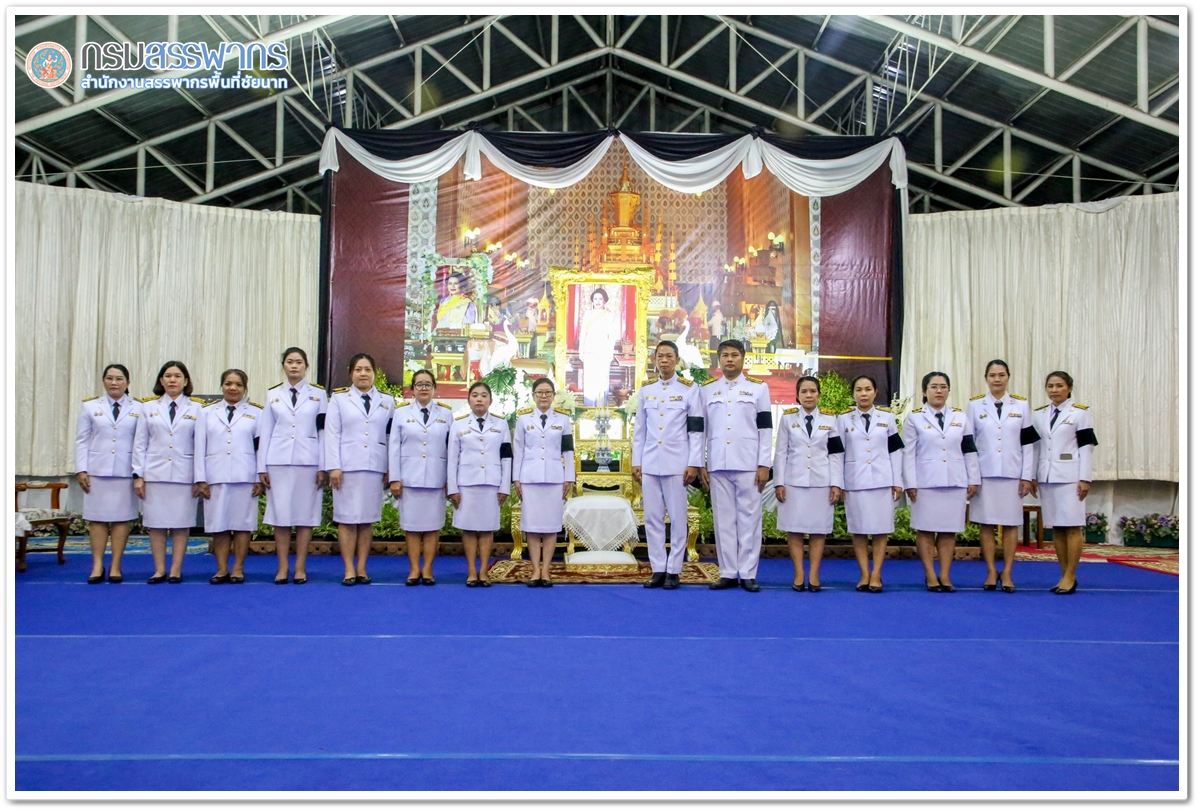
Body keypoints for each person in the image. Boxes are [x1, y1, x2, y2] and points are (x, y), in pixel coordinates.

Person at [699, 340, 773, 592]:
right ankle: (728, 572)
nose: (729, 359)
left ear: (743, 358)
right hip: (718, 463)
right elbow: (701, 430)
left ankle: (748, 573)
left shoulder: (758, 388)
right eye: (725, 355)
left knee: (750, 520)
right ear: (719, 360)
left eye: (734, 355)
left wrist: (764, 463)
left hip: (748, 463)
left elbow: (765, 428)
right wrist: (700, 463)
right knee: (724, 521)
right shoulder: (707, 389)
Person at [632, 341, 704, 589]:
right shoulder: (647, 389)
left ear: (677, 360)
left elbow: (696, 430)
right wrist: (637, 461)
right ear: (654, 359)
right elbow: (640, 429)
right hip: (651, 462)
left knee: (677, 517)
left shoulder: (689, 389)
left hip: (677, 463)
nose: (664, 360)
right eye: (660, 356)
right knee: (652, 518)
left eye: (669, 356)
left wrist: (694, 463)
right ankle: (658, 568)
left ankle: (674, 569)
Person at [902, 372, 981, 593]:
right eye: (934, 386)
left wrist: (973, 478)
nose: (939, 391)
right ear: (924, 391)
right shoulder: (915, 418)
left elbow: (969, 450)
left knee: (948, 531)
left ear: (948, 390)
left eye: (943, 386)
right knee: (925, 530)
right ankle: (930, 575)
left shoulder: (960, 417)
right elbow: (908, 453)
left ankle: (945, 575)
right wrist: (910, 483)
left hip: (955, 481)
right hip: (925, 482)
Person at [258, 347, 327, 585]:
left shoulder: (319, 394)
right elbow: (266, 431)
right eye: (290, 362)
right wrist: (262, 467)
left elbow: (323, 432)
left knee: (305, 516)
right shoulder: (273, 394)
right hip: (278, 461)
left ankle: (300, 567)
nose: (294, 366)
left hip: (309, 462)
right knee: (281, 515)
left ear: (306, 366)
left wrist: (323, 465)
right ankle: (282, 567)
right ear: (284, 366)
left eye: (299, 362)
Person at [132, 361, 205, 584]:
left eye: (177, 376)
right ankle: (159, 569)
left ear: (185, 381)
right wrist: (138, 475)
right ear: (161, 380)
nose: (172, 380)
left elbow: (200, 445)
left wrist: (200, 477)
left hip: (185, 474)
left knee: (181, 524)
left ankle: (175, 569)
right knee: (156, 524)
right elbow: (140, 443)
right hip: (155, 474)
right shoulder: (148, 407)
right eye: (168, 376)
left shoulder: (198, 408)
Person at [968, 360, 1037, 592]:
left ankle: (1007, 571)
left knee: (1010, 523)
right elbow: (969, 444)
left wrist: (1027, 475)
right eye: (992, 375)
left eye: (1001, 375)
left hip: (1012, 473)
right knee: (986, 523)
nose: (997, 379)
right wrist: (972, 476)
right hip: (984, 473)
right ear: (986, 378)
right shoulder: (974, 405)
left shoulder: (1022, 405)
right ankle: (990, 570)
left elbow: (1028, 444)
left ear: (1008, 377)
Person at [326, 353, 394, 586]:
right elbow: (332, 433)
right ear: (350, 374)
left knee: (367, 520)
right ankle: (348, 569)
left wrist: (390, 468)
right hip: (347, 467)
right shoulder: (339, 399)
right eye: (358, 369)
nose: (363, 374)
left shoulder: (387, 401)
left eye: (367, 369)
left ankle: (362, 568)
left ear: (374, 373)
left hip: (375, 466)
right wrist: (334, 466)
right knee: (346, 519)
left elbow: (391, 437)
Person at [773, 376, 844, 592]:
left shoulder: (831, 419)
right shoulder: (788, 419)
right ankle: (798, 575)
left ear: (819, 394)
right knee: (794, 529)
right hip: (793, 481)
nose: (809, 395)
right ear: (797, 396)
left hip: (821, 481)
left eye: (813, 391)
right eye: (804, 391)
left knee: (818, 530)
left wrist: (836, 483)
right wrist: (778, 482)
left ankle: (813, 575)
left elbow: (836, 454)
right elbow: (781, 452)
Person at [194, 369, 264, 584]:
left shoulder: (257, 413)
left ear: (245, 388)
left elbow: (261, 449)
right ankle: (221, 569)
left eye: (238, 384)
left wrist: (259, 477)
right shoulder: (206, 413)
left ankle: (238, 569)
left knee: (242, 525)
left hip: (245, 476)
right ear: (222, 386)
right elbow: (199, 447)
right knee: (219, 525)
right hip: (216, 476)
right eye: (228, 383)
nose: (233, 388)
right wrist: (200, 478)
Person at [836, 375, 904, 593]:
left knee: (880, 529)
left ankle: (876, 574)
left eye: (867, 389)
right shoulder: (843, 419)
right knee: (858, 529)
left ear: (875, 392)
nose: (863, 394)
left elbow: (895, 451)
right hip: (855, 481)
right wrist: (838, 483)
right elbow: (837, 454)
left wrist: (897, 480)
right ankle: (864, 573)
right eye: (858, 390)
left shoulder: (887, 418)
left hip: (882, 481)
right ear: (853, 394)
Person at [1032, 371, 1097, 595]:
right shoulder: (1039, 414)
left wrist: (1085, 478)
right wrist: (1032, 475)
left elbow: (1086, 447)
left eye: (1059, 385)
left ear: (1069, 388)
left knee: (1072, 526)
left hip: (1071, 477)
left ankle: (1071, 574)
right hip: (1047, 476)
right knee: (1057, 527)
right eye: (1050, 386)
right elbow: (1036, 447)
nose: (1054, 390)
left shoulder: (1080, 413)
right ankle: (1064, 574)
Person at [74, 364, 140, 584]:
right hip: (97, 471)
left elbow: (141, 442)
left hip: (125, 471)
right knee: (97, 519)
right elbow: (82, 440)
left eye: (119, 379)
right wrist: (81, 469)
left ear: (127, 383)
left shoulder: (139, 408)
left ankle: (116, 566)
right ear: (103, 381)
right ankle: (97, 565)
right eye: (109, 378)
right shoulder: (90, 406)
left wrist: (139, 472)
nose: (114, 383)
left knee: (122, 519)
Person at [388, 369, 452, 586]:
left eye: (428, 384)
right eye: (419, 384)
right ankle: (414, 568)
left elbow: (452, 450)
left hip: (436, 478)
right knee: (412, 527)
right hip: (409, 478)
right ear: (412, 389)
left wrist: (450, 480)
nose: (424, 388)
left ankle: (428, 569)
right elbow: (394, 447)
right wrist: (395, 478)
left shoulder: (446, 414)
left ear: (434, 388)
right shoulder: (401, 413)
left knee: (433, 527)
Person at [447, 381, 512, 587]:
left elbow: (506, 458)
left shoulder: (501, 425)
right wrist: (452, 488)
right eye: (475, 395)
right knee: (468, 528)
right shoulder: (458, 425)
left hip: (491, 483)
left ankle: (483, 570)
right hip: (466, 484)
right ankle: (471, 571)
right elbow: (452, 459)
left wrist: (504, 486)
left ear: (490, 400)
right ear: (469, 400)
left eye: (484, 395)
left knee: (486, 528)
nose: (479, 399)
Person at [513, 378, 575, 587]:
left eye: (548, 392)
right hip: (529, 478)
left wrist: (568, 477)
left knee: (550, 526)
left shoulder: (563, 420)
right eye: (539, 392)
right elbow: (518, 451)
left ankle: (546, 570)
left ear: (553, 396)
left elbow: (568, 450)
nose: (544, 396)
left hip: (554, 478)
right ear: (533, 395)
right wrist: (516, 478)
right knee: (532, 526)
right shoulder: (523, 420)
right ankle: (535, 570)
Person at [577, 287, 622, 406]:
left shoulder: (610, 315)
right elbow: (583, 334)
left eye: (600, 299)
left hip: (603, 351)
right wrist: (581, 351)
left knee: (602, 379)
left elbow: (611, 336)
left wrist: (610, 353)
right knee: (589, 379)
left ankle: (601, 406)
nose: (597, 301)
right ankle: (589, 406)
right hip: (589, 351)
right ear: (592, 300)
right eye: (595, 299)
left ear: (604, 300)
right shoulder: (588, 314)